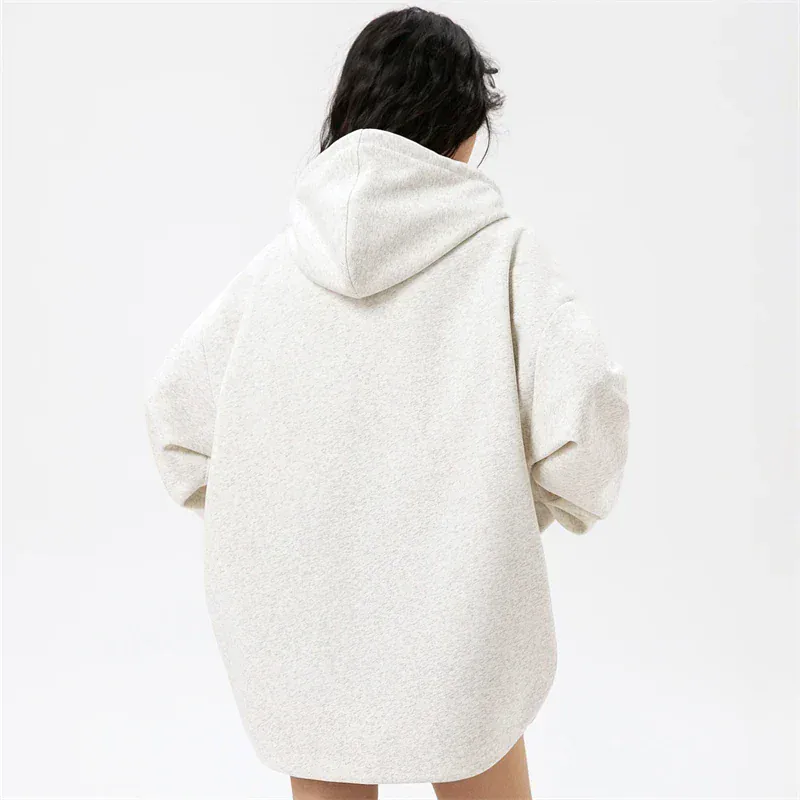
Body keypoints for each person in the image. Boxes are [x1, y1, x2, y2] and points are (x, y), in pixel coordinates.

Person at [144, 7, 629, 800]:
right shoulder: (503, 257)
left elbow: (178, 422)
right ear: (465, 128)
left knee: (324, 750)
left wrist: (269, 522)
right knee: (479, 747)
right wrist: (508, 508)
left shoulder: (279, 270)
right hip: (462, 610)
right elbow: (586, 415)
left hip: (304, 618)